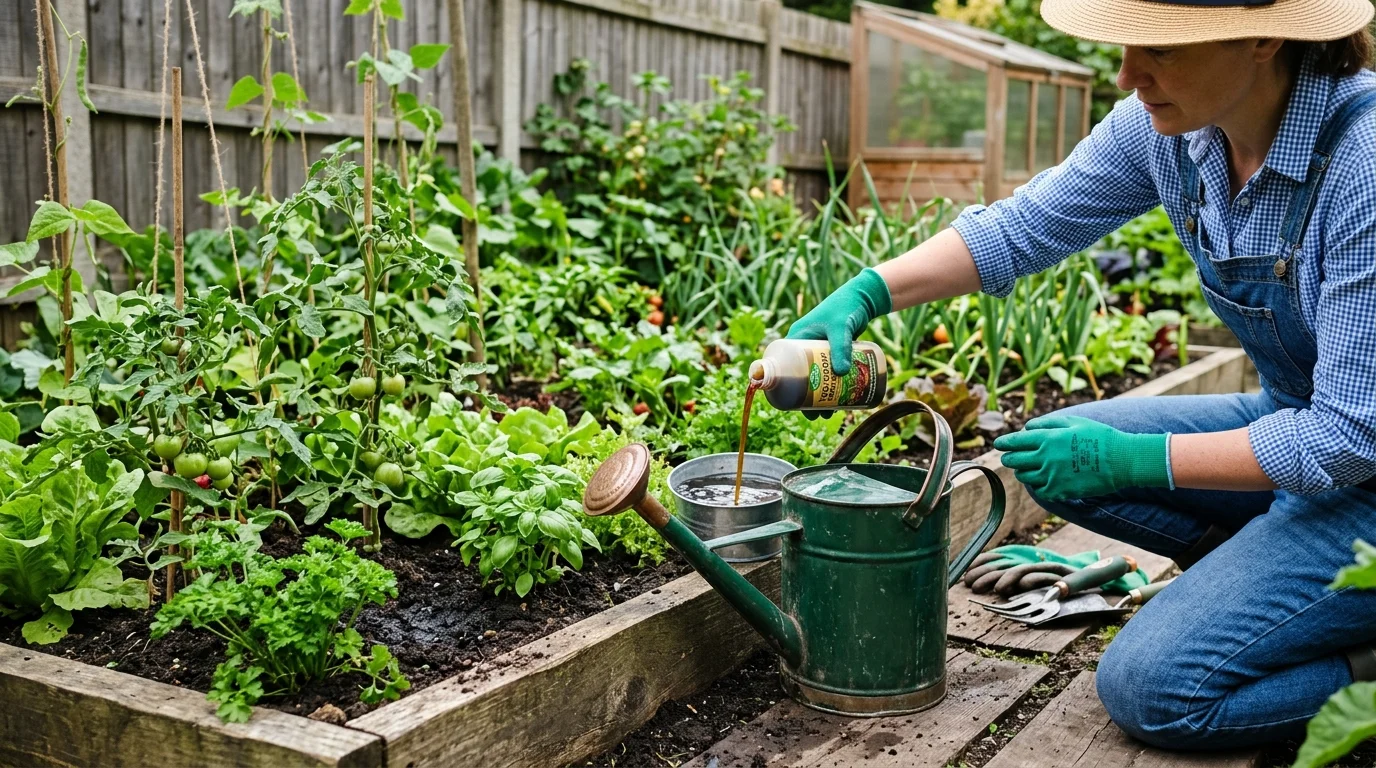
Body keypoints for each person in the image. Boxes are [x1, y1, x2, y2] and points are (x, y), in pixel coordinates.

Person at [787, 0, 1376, 751]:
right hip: (1292, 432)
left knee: (1153, 690)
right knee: (1055, 455)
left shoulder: (1363, 165)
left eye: (1159, 52)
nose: (1129, 76)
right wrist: (868, 292)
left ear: (1263, 37)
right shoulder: (1176, 131)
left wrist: (1132, 458)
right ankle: (1253, 599)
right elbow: (1025, 226)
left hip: (1362, 478)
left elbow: (1350, 438)